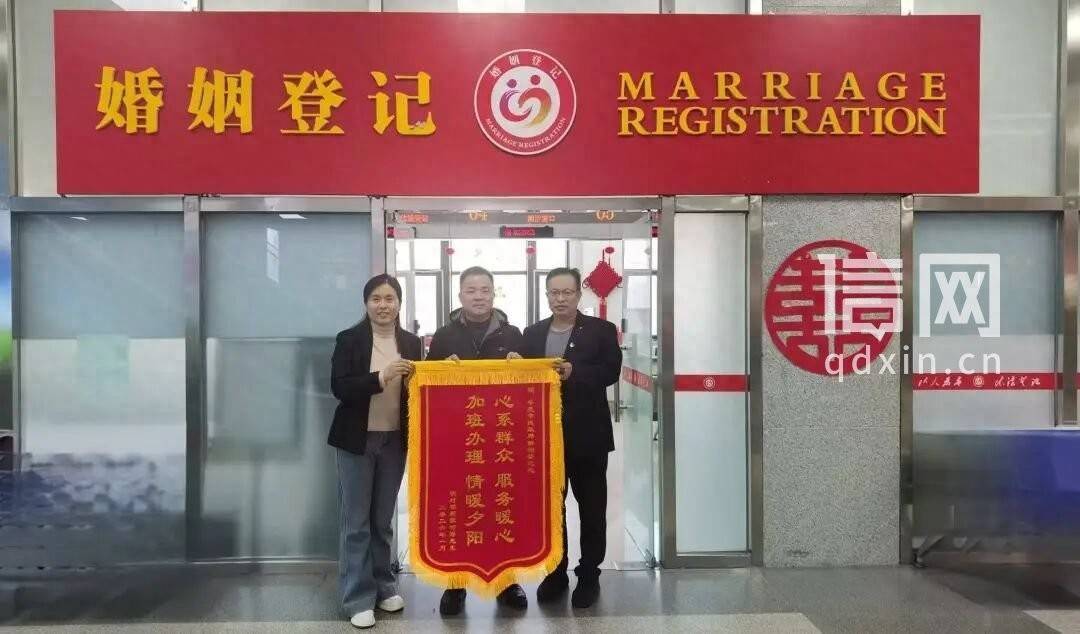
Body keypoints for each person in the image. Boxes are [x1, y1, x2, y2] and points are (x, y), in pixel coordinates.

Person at [426, 265, 528, 616]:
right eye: (471, 290)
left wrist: (522, 365)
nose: (479, 296)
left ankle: (507, 582)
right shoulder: (444, 336)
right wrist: (442, 369)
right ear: (460, 296)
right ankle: (455, 586)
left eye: (485, 290)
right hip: (460, 439)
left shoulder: (513, 335)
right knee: (461, 508)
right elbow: (426, 384)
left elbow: (531, 388)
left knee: (503, 508)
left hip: (502, 440)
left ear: (493, 294)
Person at [522, 267, 622, 609]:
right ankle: (556, 570)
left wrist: (575, 371)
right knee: (551, 507)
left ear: (579, 295)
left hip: (588, 436)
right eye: (554, 292)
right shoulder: (532, 333)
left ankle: (589, 573)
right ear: (546, 295)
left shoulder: (601, 330)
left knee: (592, 507)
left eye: (567, 292)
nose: (560, 299)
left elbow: (611, 371)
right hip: (544, 437)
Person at [329, 274, 422, 629]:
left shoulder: (411, 342)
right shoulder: (349, 339)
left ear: (399, 303)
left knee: (382, 521)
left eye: (390, 298)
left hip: (394, 441)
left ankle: (385, 586)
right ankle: (357, 597)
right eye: (376, 299)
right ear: (366, 303)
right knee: (356, 523)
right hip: (357, 440)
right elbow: (340, 387)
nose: (383, 305)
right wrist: (381, 377)